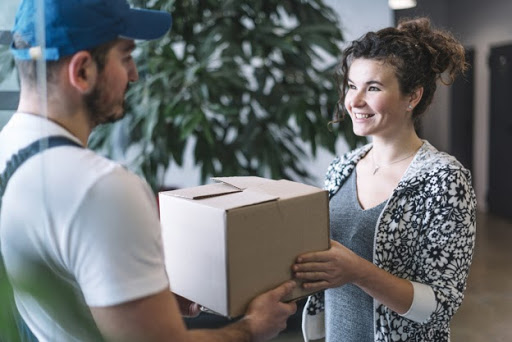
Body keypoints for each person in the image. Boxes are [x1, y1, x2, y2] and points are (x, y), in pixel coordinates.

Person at [0, 0, 297, 341]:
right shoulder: (99, 187)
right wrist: (252, 327)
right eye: (125, 57)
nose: (135, 74)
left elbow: (62, 285)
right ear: (82, 71)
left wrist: (140, 295)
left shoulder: (10, 150)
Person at [292, 18, 477, 342]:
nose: (355, 101)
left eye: (373, 87)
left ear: (412, 97)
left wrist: (357, 271)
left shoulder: (445, 181)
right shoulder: (341, 168)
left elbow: (440, 305)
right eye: (352, 86)